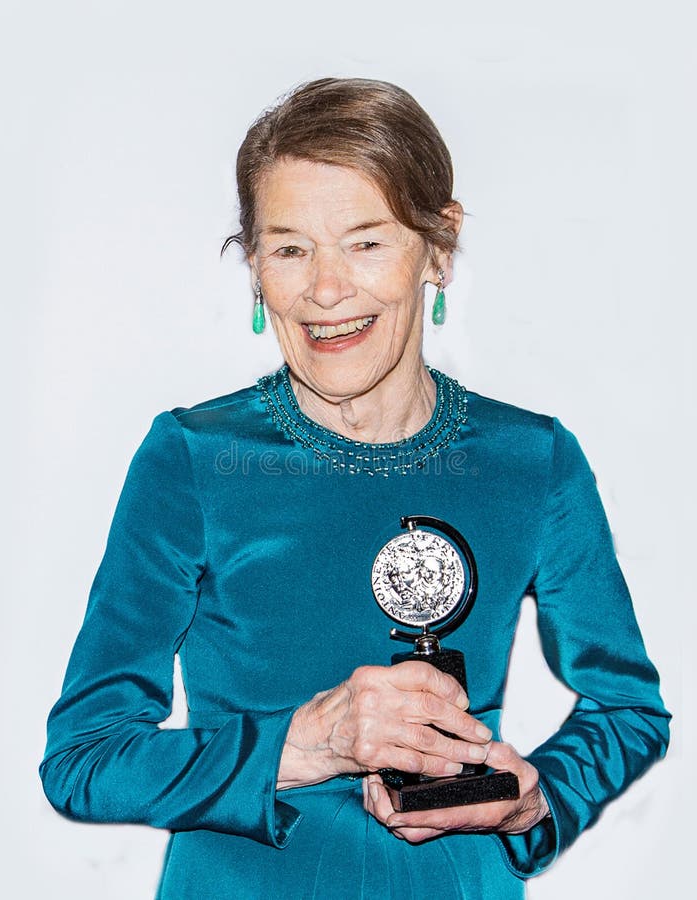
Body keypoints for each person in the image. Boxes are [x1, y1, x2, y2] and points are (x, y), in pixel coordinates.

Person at [40, 77, 670, 899]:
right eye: (290, 247)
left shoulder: (531, 459)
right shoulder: (193, 458)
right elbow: (84, 762)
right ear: (255, 268)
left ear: (437, 247)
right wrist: (309, 743)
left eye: (365, 242)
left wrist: (531, 803)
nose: (326, 291)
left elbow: (628, 712)